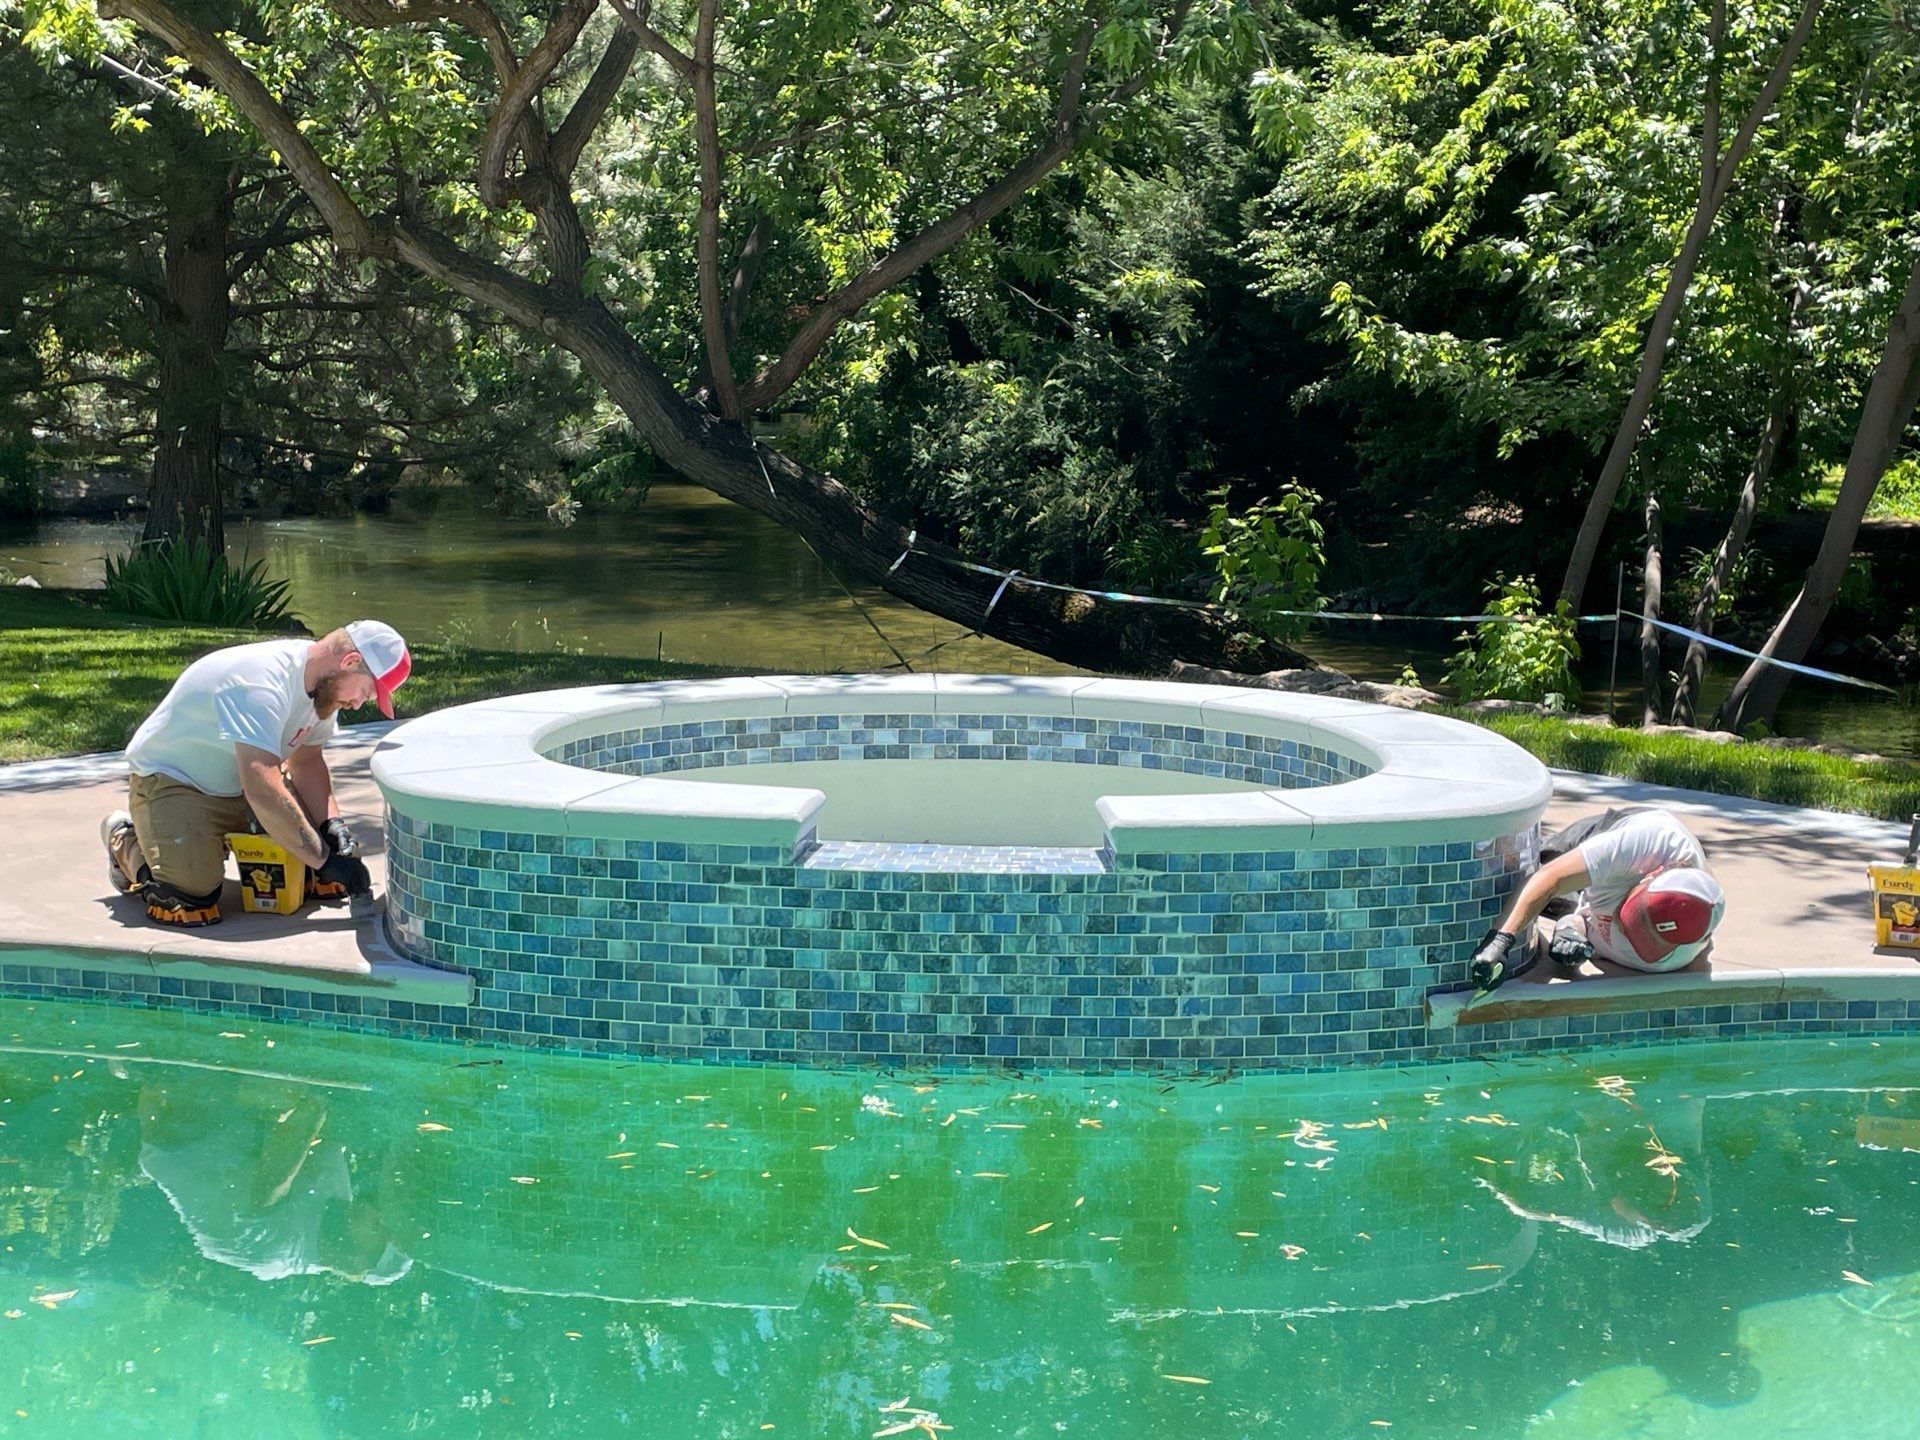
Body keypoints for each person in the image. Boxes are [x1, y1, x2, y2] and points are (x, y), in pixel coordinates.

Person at [100, 620, 411, 926]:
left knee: (318, 881)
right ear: (350, 661)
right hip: (178, 782)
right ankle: (125, 840)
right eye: (366, 692)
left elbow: (306, 761)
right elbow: (261, 783)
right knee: (189, 902)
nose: (358, 704)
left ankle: (209, 840)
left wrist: (332, 826)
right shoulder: (260, 682)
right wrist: (325, 859)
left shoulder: (323, 689)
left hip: (240, 786)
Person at [1468, 807, 1725, 992]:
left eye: (1643, 938)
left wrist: (1569, 929)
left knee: (1552, 905)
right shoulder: (1637, 846)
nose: (1626, 928)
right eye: (1634, 919)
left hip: (1609, 890)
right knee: (1537, 860)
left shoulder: (1671, 959)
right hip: (1624, 830)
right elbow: (1551, 879)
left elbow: (1584, 921)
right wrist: (1499, 941)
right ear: (1651, 876)